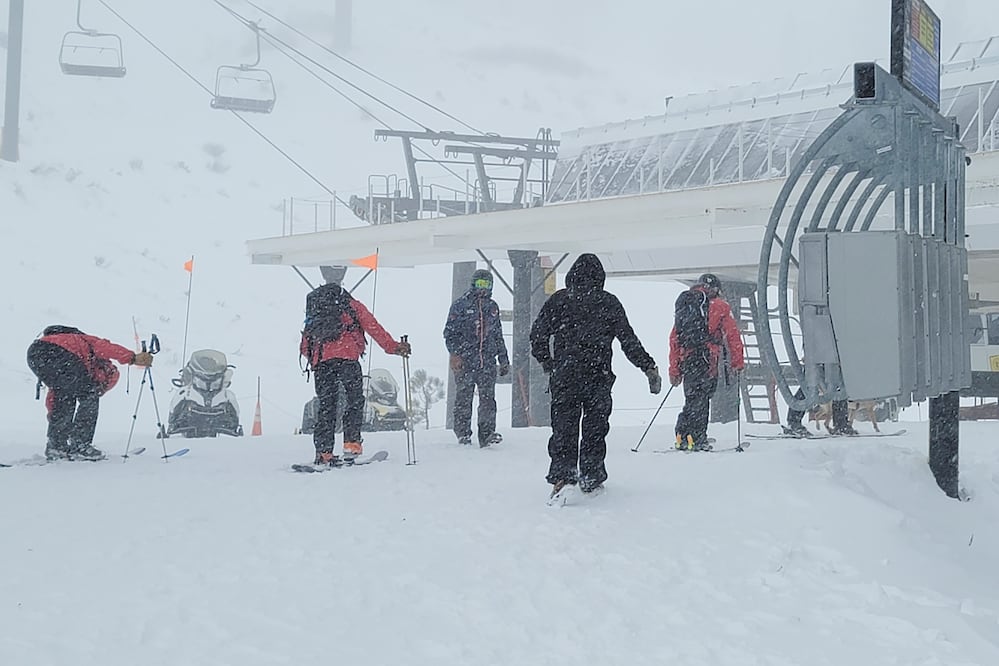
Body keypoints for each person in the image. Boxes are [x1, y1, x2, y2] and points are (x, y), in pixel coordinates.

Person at [530, 253, 662, 496]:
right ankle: (591, 476)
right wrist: (648, 366)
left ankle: (563, 476)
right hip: (597, 377)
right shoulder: (608, 303)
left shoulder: (560, 300)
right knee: (595, 429)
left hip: (565, 376)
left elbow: (537, 335)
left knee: (564, 428)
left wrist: (548, 363)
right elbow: (628, 340)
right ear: (600, 277)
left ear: (572, 275)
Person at [300, 281, 411, 466]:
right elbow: (374, 328)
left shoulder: (317, 310)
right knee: (354, 402)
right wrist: (394, 347)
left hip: (322, 363)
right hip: (348, 359)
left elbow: (305, 345)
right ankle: (351, 445)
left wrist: (318, 359)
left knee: (327, 406)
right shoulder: (352, 305)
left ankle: (324, 452)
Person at [26, 325, 153, 461]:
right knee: (89, 396)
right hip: (59, 354)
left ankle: (57, 446)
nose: (100, 389)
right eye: (102, 385)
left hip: (35, 353)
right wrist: (132, 358)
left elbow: (54, 398)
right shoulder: (88, 344)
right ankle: (80, 445)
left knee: (64, 396)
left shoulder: (68, 346)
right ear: (104, 372)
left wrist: (56, 420)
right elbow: (108, 348)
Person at [668, 273, 745, 451]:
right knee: (703, 397)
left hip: (687, 358)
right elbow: (732, 335)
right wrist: (737, 362)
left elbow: (674, 339)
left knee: (692, 397)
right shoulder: (721, 306)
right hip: (707, 358)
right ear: (716, 289)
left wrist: (675, 369)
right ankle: (698, 437)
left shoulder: (687, 304)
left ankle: (683, 434)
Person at [443, 269, 510, 447]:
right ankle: (463, 433)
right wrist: (455, 354)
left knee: (488, 399)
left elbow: (498, 334)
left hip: (487, 361)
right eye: (480, 284)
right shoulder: (460, 305)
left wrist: (503, 359)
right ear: (473, 284)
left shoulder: (493, 307)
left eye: (486, 285)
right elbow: (449, 333)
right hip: (466, 361)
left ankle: (487, 433)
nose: (483, 289)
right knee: (464, 397)